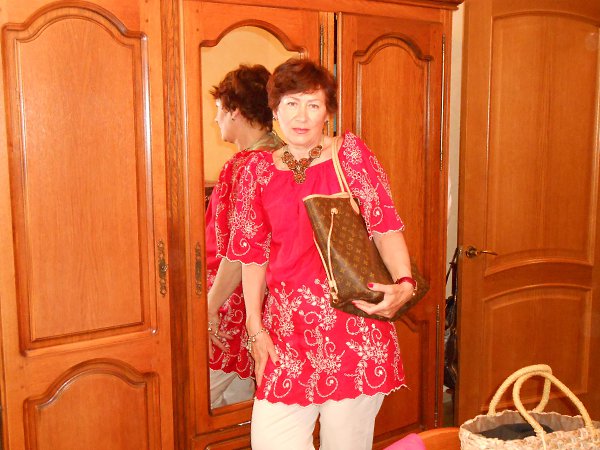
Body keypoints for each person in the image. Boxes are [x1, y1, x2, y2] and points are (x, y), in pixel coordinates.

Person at [225, 58, 416, 449]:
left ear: (327, 112)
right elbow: (253, 255)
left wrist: (405, 282)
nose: (302, 116)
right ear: (275, 109)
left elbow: (385, 226)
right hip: (285, 337)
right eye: (292, 103)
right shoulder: (256, 172)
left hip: (352, 329)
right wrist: (255, 327)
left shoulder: (350, 156)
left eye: (313, 104)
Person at [205, 64, 284, 408]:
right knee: (248, 402)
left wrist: (208, 307)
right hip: (270, 303)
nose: (216, 119)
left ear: (235, 110)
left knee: (204, 403)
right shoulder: (286, 159)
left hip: (233, 303)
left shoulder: (242, 168)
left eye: (219, 110)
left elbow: (239, 253)